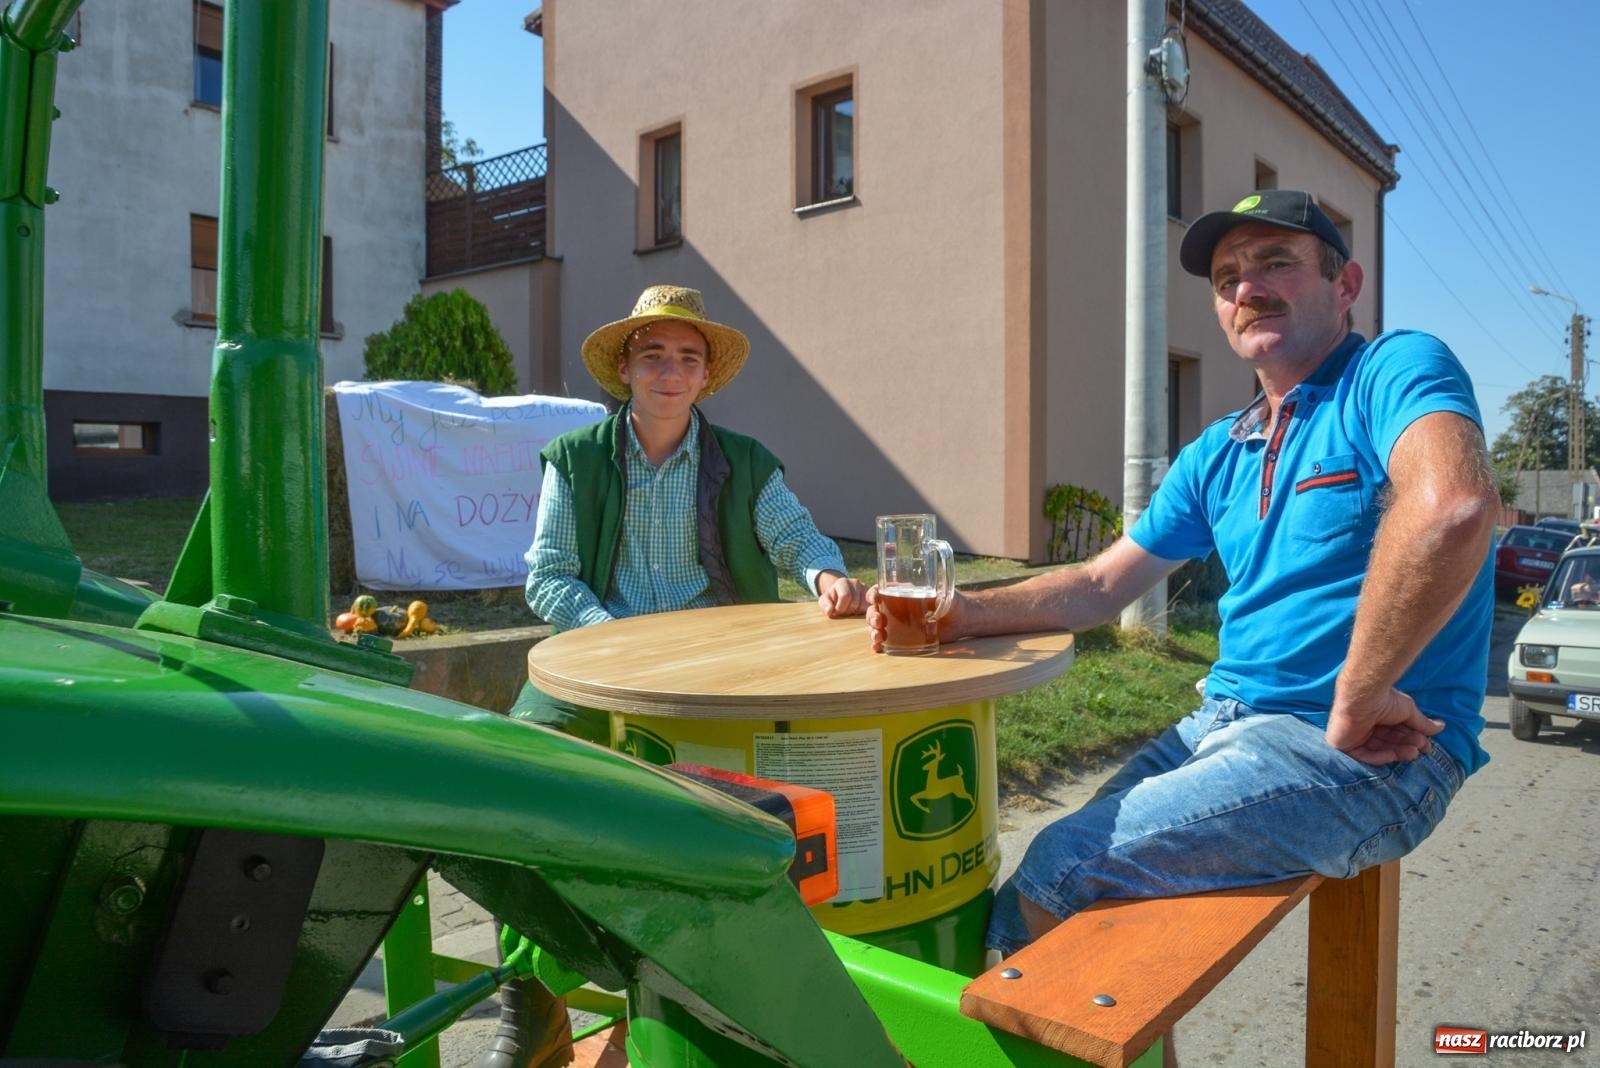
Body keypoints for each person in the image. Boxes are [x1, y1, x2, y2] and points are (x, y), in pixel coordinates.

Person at [868, 190, 1500, 955]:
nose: (1246, 288)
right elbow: (1102, 585)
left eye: (1276, 263)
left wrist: (1359, 693)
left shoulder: (1388, 371)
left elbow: (1453, 505)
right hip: (1221, 726)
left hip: (1371, 753)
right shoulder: (1219, 450)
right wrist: (962, 610)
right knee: (1085, 901)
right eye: (1227, 277)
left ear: (1346, 285)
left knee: (1056, 877)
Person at [517, 284, 866, 742]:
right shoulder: (574, 460)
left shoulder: (745, 460)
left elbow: (796, 538)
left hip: (723, 656)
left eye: (688, 358)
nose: (670, 372)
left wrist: (829, 578)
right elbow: (549, 576)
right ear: (624, 368)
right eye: (652, 355)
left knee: (803, 746)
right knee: (533, 742)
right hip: (603, 653)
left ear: (706, 374)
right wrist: (608, 635)